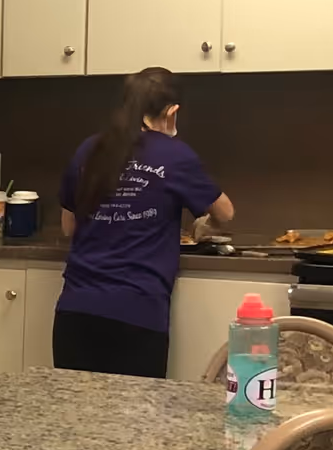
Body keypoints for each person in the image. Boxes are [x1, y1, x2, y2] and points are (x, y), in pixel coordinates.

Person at [55, 68, 236, 377]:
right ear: (172, 111)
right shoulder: (175, 155)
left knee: (77, 420)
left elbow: (69, 227)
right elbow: (225, 213)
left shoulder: (89, 150)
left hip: (76, 311)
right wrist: (204, 225)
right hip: (138, 313)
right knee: (137, 422)